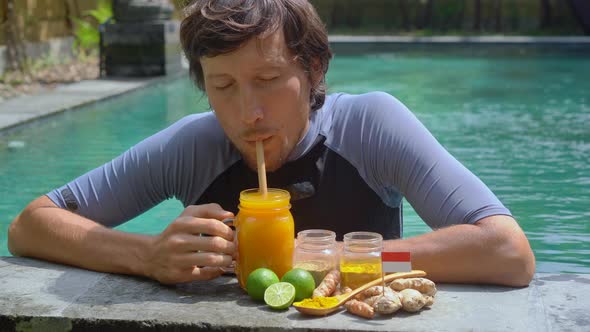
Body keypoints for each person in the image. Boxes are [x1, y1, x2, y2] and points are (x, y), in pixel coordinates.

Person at [8, 0, 535, 287]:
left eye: (268, 80)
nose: (248, 113)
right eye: (224, 87)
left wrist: (352, 260)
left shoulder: (371, 125)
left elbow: (507, 250)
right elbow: (32, 224)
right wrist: (146, 255)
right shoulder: (195, 145)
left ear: (313, 69)